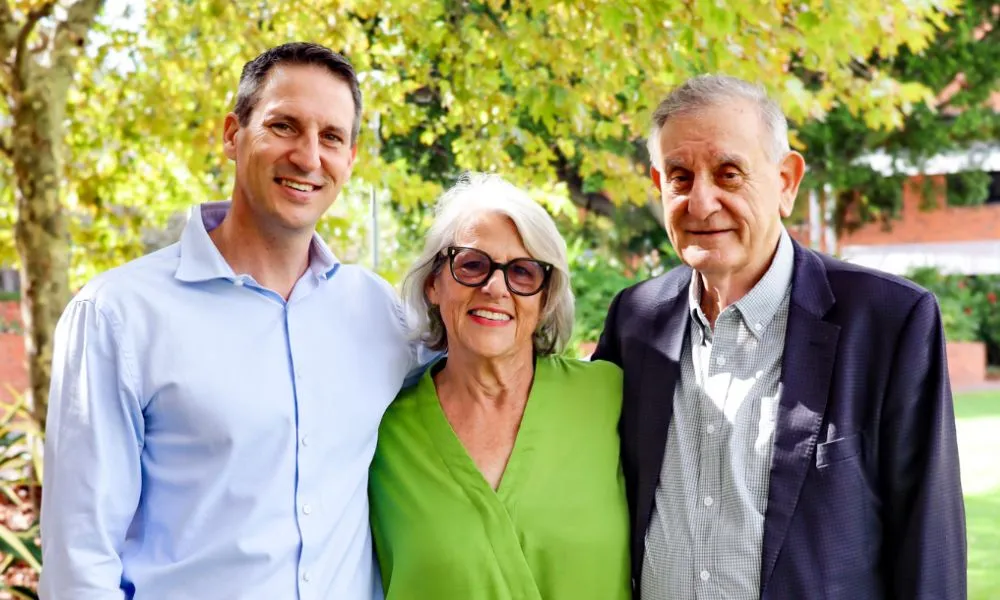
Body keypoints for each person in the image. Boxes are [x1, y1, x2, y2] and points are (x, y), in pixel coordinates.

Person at [40, 42, 423, 599]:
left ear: (351, 158)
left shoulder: (379, 311)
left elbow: (481, 381)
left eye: (332, 137)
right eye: (284, 126)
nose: (309, 157)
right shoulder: (118, 316)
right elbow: (81, 559)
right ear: (231, 135)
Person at [593, 75, 966, 600]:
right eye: (680, 177)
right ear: (659, 185)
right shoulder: (636, 320)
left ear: (787, 181)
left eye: (729, 174)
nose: (701, 203)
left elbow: (929, 548)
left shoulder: (890, 322)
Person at [368, 173, 631, 600]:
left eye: (523, 273)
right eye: (471, 265)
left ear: (545, 298)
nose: (495, 288)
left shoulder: (608, 398)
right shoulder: (381, 434)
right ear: (434, 283)